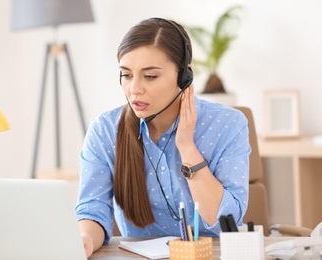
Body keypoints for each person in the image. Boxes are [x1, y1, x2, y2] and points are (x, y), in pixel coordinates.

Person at [76, 17, 251, 257]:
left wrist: (187, 147)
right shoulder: (105, 130)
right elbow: (92, 210)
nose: (134, 88)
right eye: (126, 75)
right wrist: (84, 239)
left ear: (184, 77)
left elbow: (224, 223)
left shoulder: (228, 125)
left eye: (150, 76)